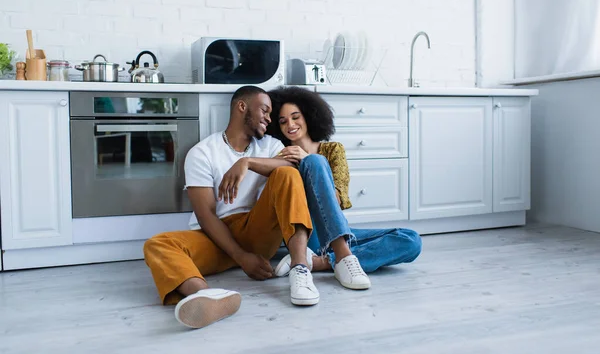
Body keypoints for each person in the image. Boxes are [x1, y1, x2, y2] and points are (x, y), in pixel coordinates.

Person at [143, 85, 319, 330]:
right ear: (242, 107)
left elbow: (292, 169)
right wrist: (241, 257)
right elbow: (205, 215)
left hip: (257, 229)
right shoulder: (202, 152)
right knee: (157, 244)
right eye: (265, 111)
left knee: (287, 174)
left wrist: (246, 162)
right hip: (215, 236)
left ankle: (300, 270)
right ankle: (205, 297)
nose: (270, 118)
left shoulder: (270, 146)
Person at [266, 86, 422, 290]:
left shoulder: (333, 150)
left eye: (296, 117)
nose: (291, 124)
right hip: (307, 234)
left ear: (309, 116)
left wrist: (309, 160)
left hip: (335, 231)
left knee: (411, 240)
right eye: (283, 121)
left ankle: (319, 262)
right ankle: (335, 257)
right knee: (314, 161)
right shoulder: (282, 153)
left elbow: (337, 202)